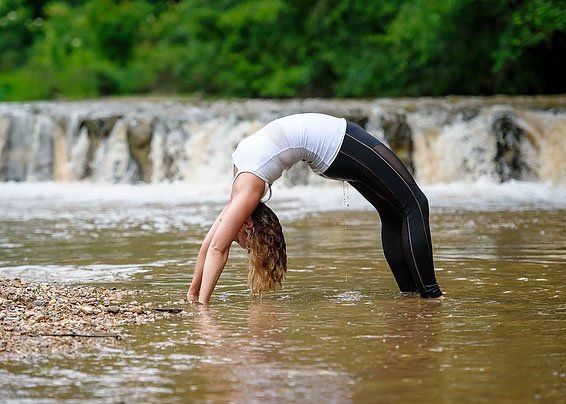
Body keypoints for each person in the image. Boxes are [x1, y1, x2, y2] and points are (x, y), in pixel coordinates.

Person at [187, 113, 443, 304]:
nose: (234, 239)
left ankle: (410, 294)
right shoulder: (246, 191)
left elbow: (212, 246)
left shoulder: (243, 192)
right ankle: (431, 296)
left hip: (337, 146)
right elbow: (216, 248)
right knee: (415, 204)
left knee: (393, 211)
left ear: (248, 223)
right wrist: (202, 306)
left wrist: (195, 297)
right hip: (339, 145)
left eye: (241, 241)